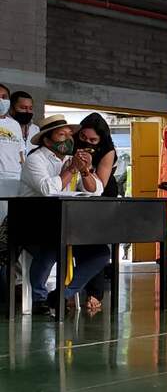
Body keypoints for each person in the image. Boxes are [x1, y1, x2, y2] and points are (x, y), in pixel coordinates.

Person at [20, 115, 109, 314]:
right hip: (32, 225)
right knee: (53, 243)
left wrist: (85, 171)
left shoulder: (71, 159)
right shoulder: (35, 160)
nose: (69, 139)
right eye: (62, 135)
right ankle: (39, 298)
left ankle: (63, 295)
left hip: (65, 225)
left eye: (70, 134)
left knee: (101, 252)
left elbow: (97, 190)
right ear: (47, 139)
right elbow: (48, 189)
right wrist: (71, 170)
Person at [75, 112, 120, 313]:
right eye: (84, 138)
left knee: (97, 243)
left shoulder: (107, 150)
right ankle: (75, 289)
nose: (87, 142)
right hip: (76, 196)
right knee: (78, 244)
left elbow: (100, 182)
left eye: (93, 140)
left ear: (101, 139)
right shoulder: (73, 143)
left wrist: (87, 167)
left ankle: (95, 293)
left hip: (102, 195)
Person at [0, 84, 24, 219]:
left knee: (10, 219)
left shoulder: (14, 124)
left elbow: (20, 154)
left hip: (15, 179)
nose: (1, 100)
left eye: (4, 97)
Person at [9, 91, 39, 156]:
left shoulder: (35, 129)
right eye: (23, 108)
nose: (28, 111)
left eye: (30, 108)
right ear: (11, 108)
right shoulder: (5, 127)